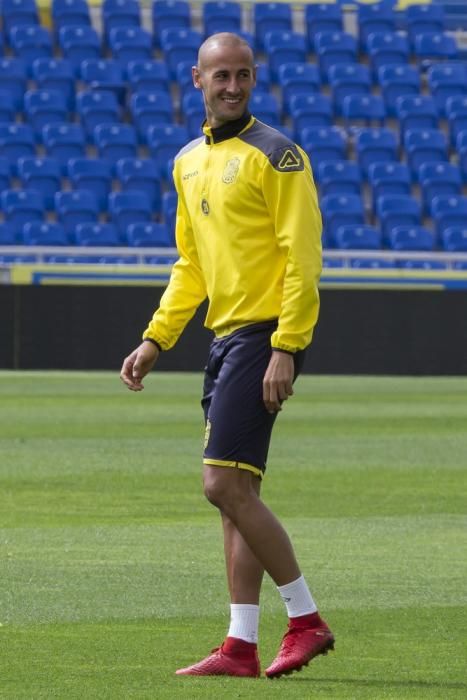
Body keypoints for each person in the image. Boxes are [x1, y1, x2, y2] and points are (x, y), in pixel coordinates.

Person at [120, 32, 334, 679]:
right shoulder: (187, 162)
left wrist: (286, 347)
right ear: (197, 79)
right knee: (234, 490)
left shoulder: (278, 156)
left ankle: (306, 620)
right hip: (225, 339)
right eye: (221, 76)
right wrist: (157, 338)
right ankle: (239, 645)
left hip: (262, 335)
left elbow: (302, 259)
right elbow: (191, 266)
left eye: (242, 75)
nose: (233, 85)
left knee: (220, 483)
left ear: (252, 78)